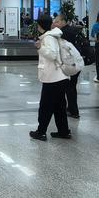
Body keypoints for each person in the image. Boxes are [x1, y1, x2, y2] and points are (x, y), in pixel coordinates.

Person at [29, 13, 71, 141]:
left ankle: (41, 132)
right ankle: (63, 131)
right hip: (59, 77)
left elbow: (52, 55)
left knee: (45, 106)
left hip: (53, 78)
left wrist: (40, 47)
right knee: (59, 106)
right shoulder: (53, 35)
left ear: (39, 25)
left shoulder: (48, 38)